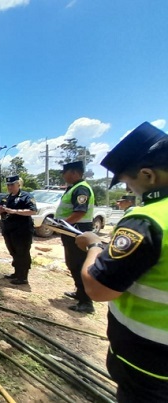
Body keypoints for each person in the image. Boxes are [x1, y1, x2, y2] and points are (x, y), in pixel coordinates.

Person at [75, 121, 168, 401]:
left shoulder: (148, 220)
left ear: (148, 175)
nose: (130, 191)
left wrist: (95, 246)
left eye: (128, 183)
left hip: (150, 363)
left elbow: (99, 288)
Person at [56, 160, 96, 313]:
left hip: (77, 231)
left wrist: (63, 224)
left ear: (73, 172)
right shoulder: (74, 188)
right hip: (71, 231)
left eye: (64, 173)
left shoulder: (81, 189)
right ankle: (80, 292)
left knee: (79, 264)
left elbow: (80, 212)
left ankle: (86, 302)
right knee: (72, 263)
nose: (63, 176)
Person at [0, 175, 37, 285]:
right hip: (9, 230)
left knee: (22, 253)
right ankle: (17, 272)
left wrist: (14, 211)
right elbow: (1, 210)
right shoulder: (6, 197)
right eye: (8, 185)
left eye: (12, 185)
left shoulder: (26, 196)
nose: (9, 187)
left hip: (22, 230)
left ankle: (23, 277)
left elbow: (33, 211)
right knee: (13, 252)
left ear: (18, 184)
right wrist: (1, 211)